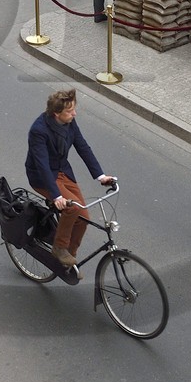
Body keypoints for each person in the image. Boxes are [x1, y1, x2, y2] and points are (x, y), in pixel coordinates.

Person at [25, 89, 115, 267]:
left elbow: (83, 147)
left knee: (83, 217)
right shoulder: (39, 130)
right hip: (44, 177)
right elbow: (42, 165)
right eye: (69, 111)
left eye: (74, 109)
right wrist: (57, 196)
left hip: (62, 172)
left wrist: (101, 176)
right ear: (56, 113)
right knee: (72, 208)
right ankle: (59, 248)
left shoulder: (70, 123)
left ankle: (69, 260)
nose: (74, 113)